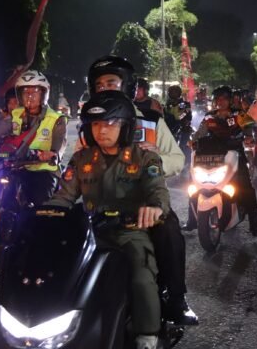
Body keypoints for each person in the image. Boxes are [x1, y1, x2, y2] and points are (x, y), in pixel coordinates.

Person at [44, 90, 170, 349]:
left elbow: (158, 191)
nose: (102, 130)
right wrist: (44, 214)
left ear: (126, 127)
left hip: (129, 231)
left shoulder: (145, 158)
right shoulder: (82, 159)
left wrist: (154, 208)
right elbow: (63, 196)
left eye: (110, 123)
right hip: (89, 233)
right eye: (96, 124)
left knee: (141, 273)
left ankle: (147, 335)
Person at [82, 55, 197, 325]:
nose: (105, 89)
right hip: (101, 202)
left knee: (169, 231)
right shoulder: (90, 122)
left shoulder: (152, 120)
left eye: (112, 82)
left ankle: (176, 298)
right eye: (100, 85)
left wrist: (155, 158)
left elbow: (177, 159)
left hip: (147, 203)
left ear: (128, 86)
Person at [0, 70, 67, 206]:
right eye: (25, 92)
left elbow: (60, 144)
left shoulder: (56, 119)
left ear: (44, 93)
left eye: (35, 91)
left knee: (41, 206)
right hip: (16, 167)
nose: (30, 96)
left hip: (43, 170)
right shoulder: (16, 114)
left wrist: (53, 155)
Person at [186, 86, 257, 236]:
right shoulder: (209, 117)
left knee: (246, 188)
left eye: (224, 99)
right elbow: (200, 133)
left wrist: (249, 137)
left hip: (234, 155)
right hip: (212, 156)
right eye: (218, 99)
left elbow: (250, 128)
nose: (220, 102)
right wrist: (192, 140)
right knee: (194, 185)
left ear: (230, 100)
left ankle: (254, 225)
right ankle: (192, 220)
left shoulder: (239, 114)